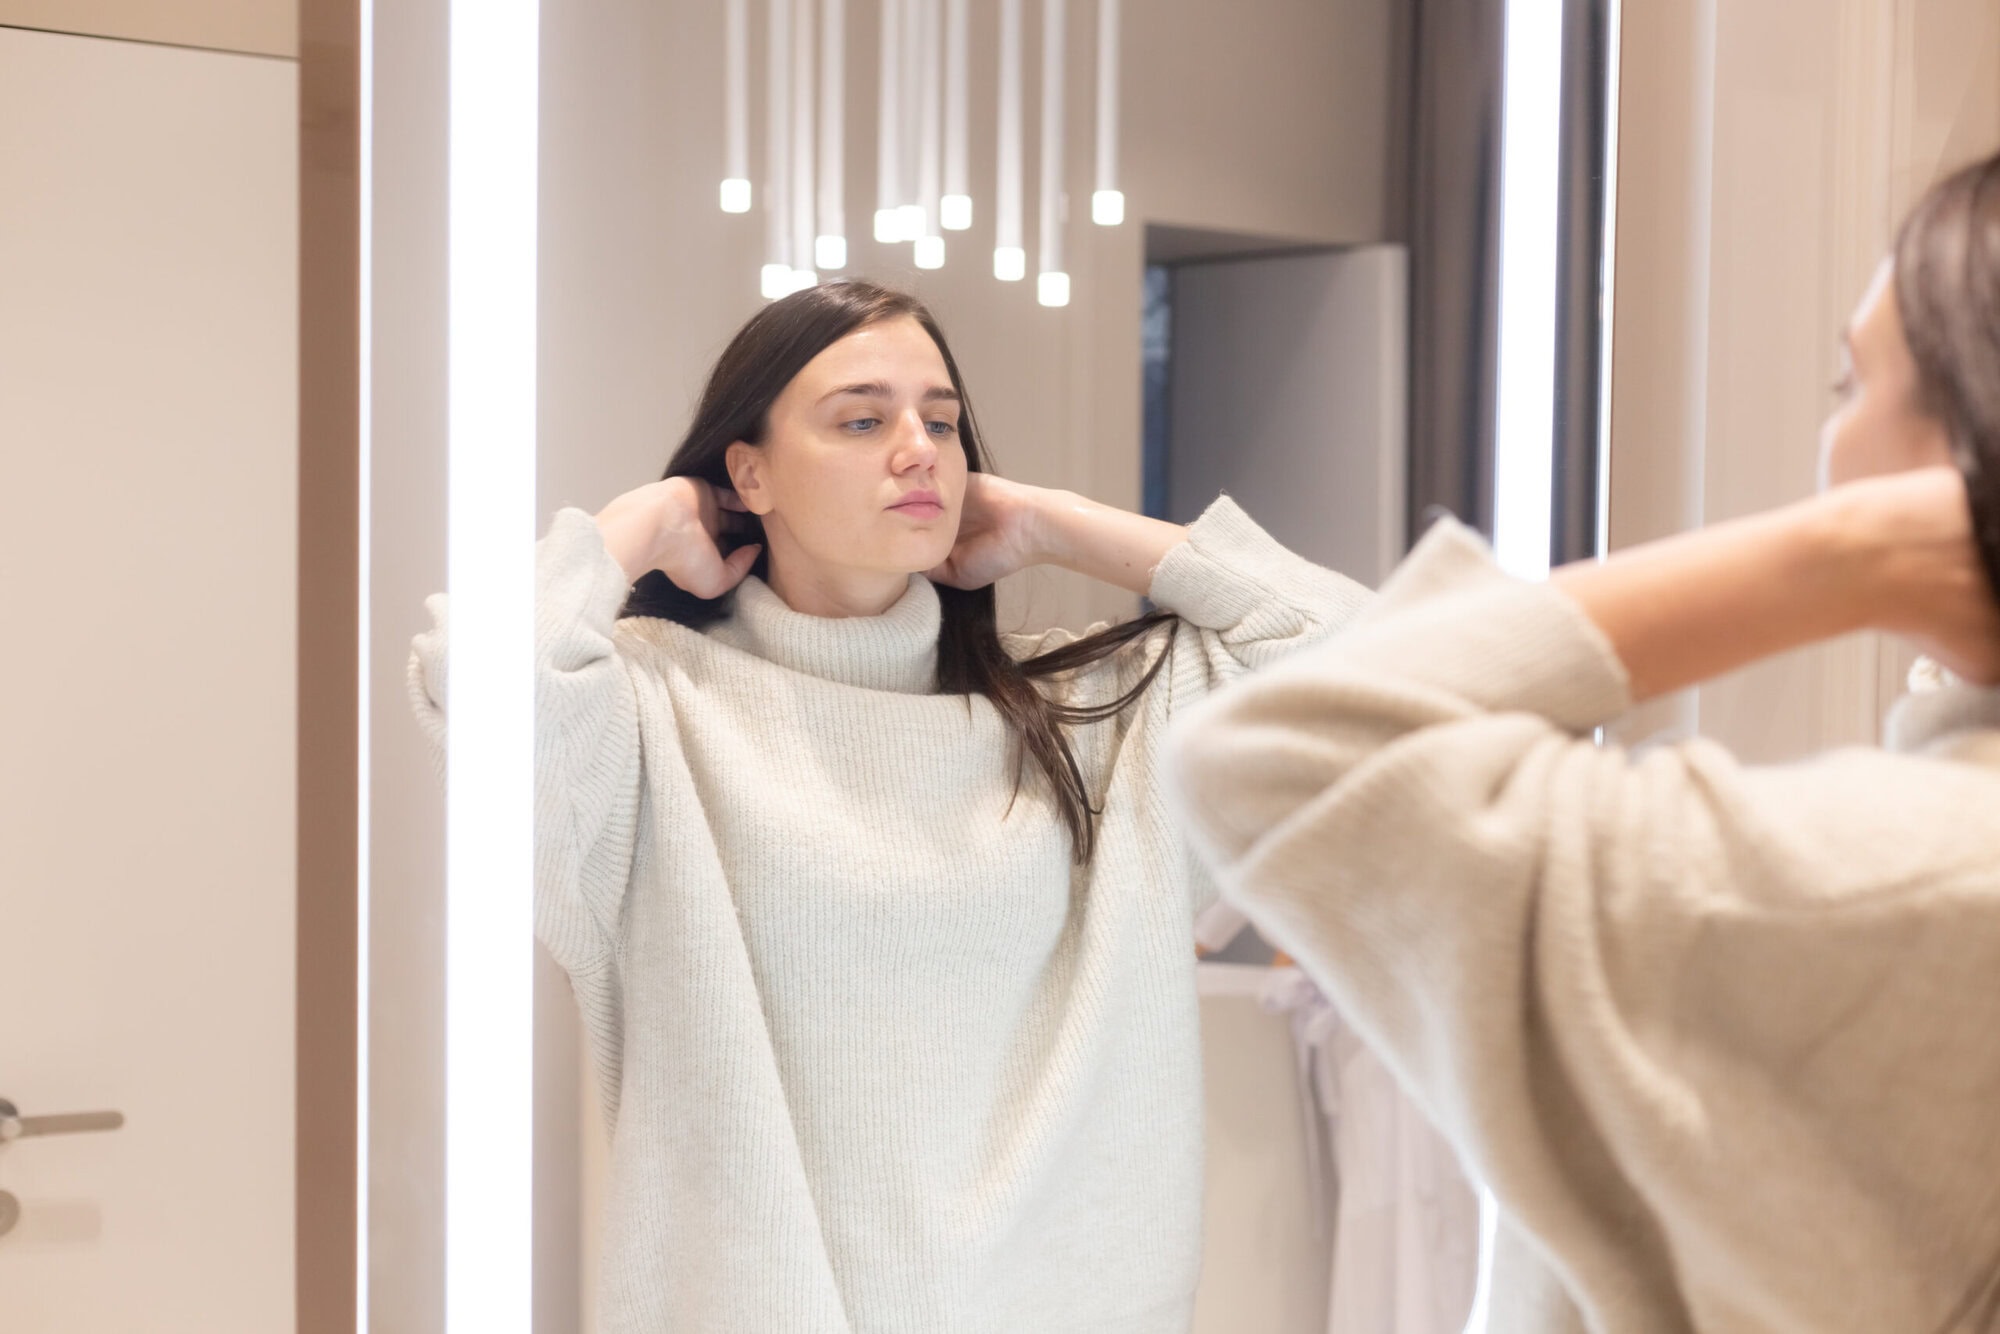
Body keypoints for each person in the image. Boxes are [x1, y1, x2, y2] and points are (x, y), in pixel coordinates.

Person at [410, 280, 1371, 1332]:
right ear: (749, 471)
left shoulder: (1091, 723)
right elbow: (480, 678)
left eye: (942, 423)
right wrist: (646, 521)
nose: (918, 450)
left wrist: (1056, 522)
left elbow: (1373, 667)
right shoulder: (651, 716)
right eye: (862, 421)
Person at [1168, 151, 2000, 1333]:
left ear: (1958, 459)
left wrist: (1845, 553)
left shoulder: (1911, 877)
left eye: (1849, 382)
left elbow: (1283, 745)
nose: (1828, 445)